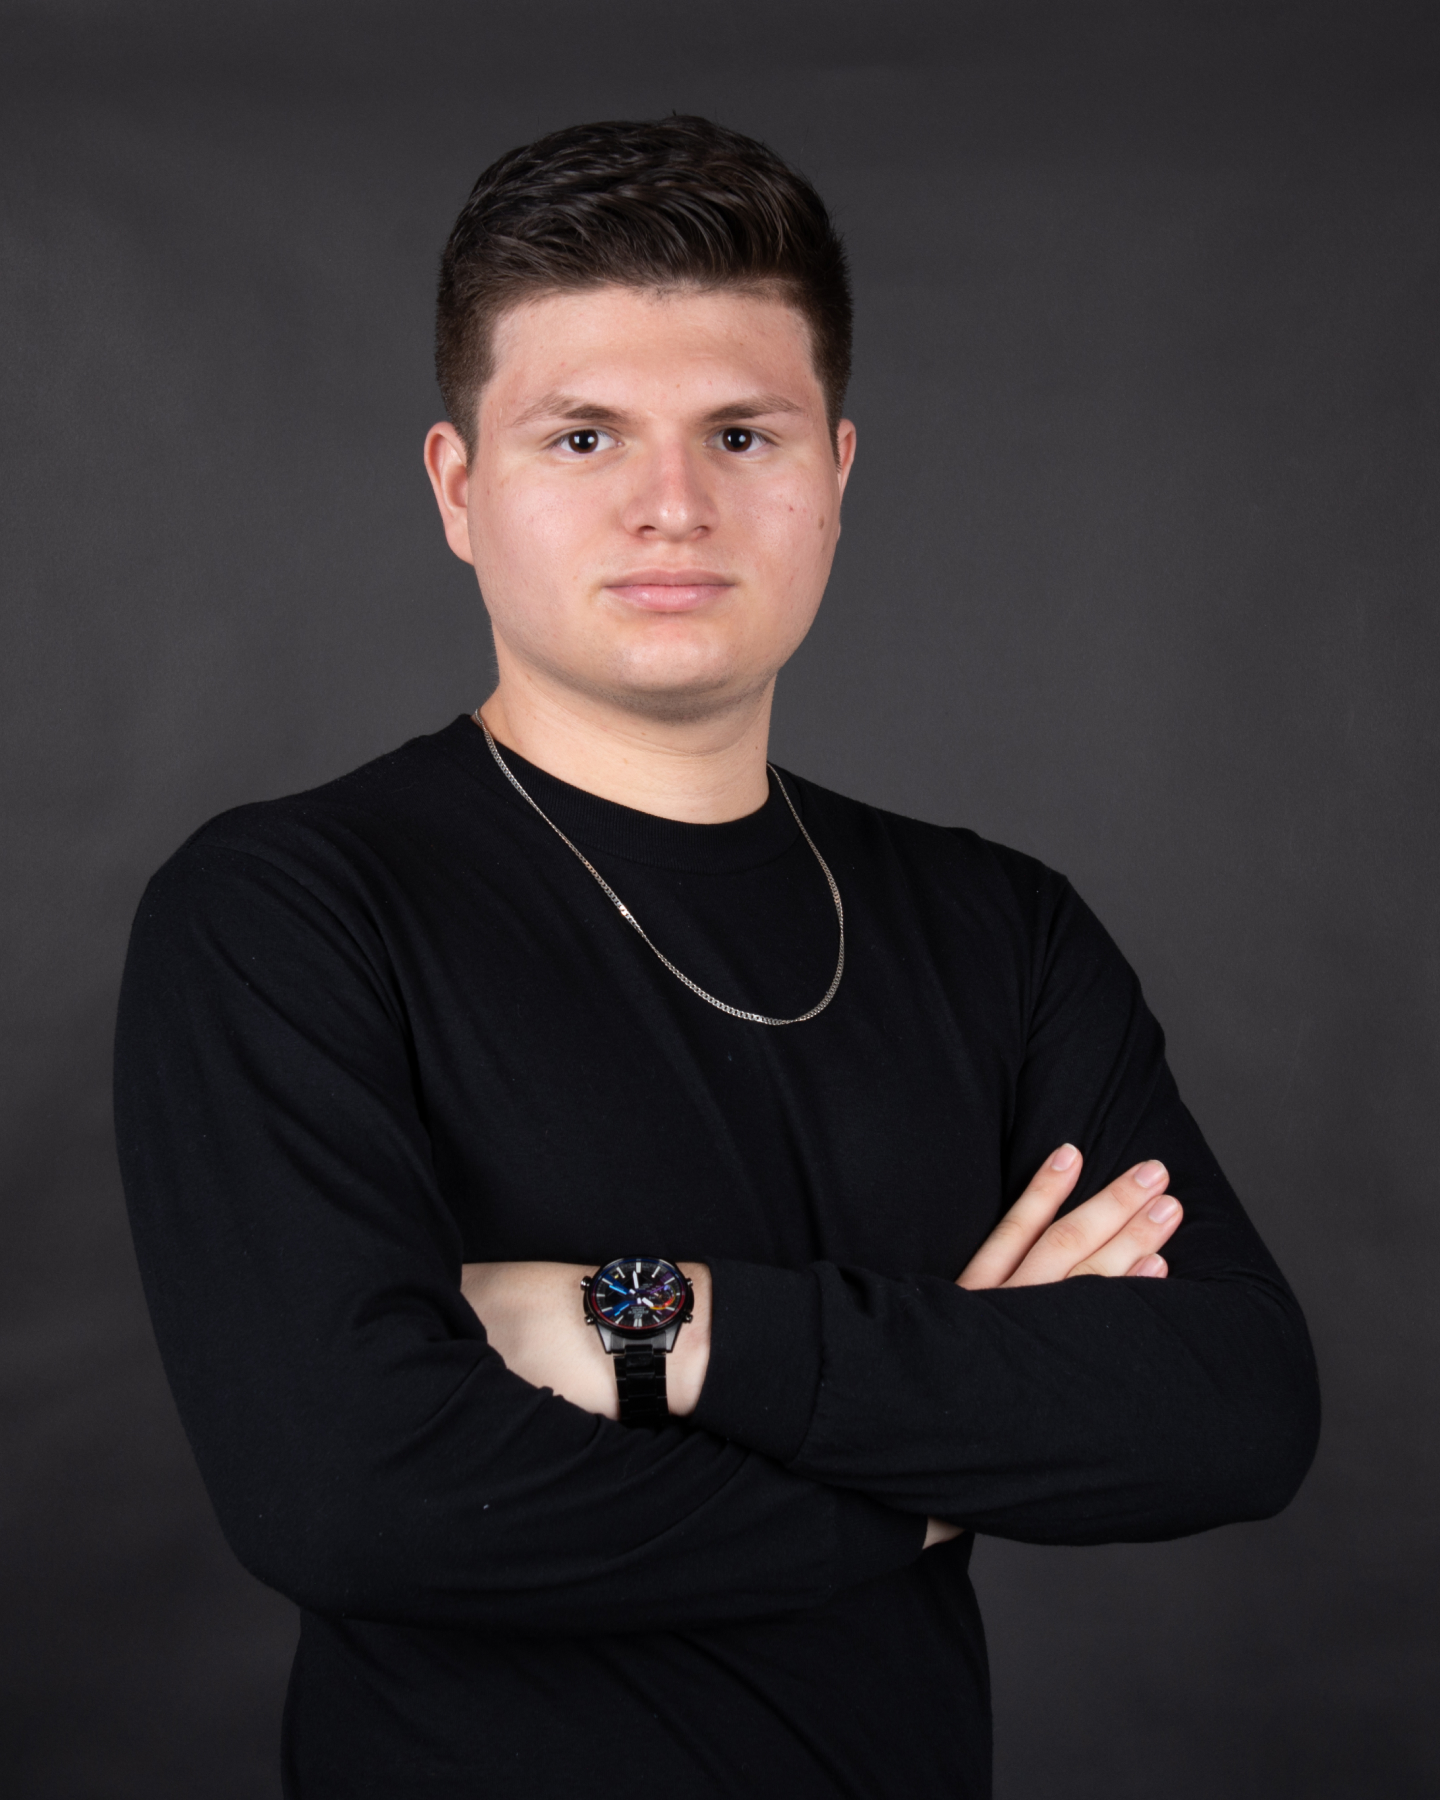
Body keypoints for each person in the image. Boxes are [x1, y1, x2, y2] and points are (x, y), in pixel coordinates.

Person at [115, 116, 1320, 1798]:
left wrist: (654, 1324)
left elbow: (1232, 1406)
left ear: (835, 471)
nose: (672, 506)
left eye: (739, 433)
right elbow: (360, 1496)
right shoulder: (287, 909)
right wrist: (945, 1458)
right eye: (585, 434)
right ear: (462, 490)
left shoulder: (1001, 927)